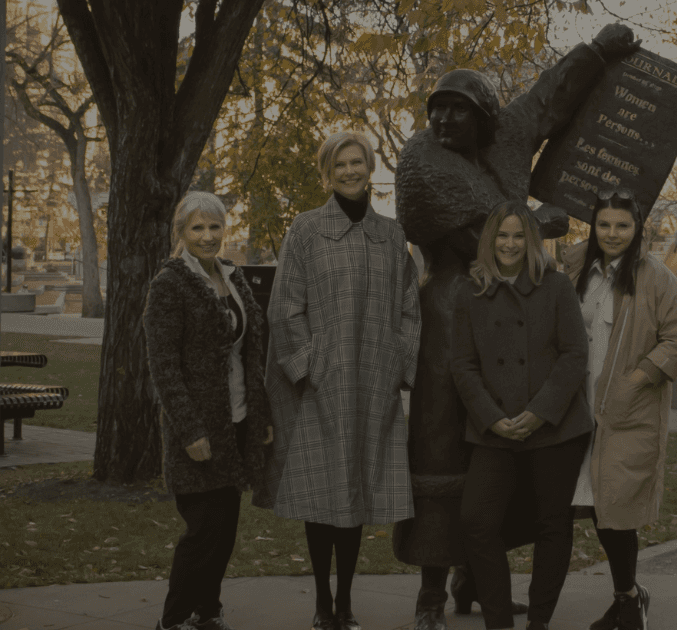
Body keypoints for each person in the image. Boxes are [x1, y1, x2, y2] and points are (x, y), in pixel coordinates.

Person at [393, 22, 641, 630]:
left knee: (503, 451)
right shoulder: (422, 161)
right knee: (440, 441)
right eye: (437, 111)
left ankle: (474, 575)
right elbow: (472, 228)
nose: (444, 121)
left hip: (517, 312)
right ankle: (431, 586)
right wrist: (535, 221)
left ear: (483, 117)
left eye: (458, 111)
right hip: (449, 310)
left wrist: (599, 50)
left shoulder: (506, 139)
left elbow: (552, 96)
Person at [262, 131, 421, 630]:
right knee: (321, 494)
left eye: (358, 162)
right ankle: (322, 603)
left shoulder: (393, 235)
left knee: (355, 492)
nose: (350, 171)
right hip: (321, 389)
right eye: (340, 163)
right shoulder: (306, 231)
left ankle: (347, 601)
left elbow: (409, 311)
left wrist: (396, 366)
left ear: (370, 167)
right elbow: (285, 307)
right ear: (327, 172)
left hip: (374, 386)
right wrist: (310, 367)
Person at [560, 189, 677, 630]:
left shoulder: (654, 275)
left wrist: (639, 378)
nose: (613, 233)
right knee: (593, 506)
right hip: (579, 406)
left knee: (615, 508)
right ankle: (628, 596)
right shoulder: (581, 268)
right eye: (604, 225)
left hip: (627, 410)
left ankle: (628, 601)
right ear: (594, 227)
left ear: (637, 228)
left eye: (622, 225)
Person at [450, 201, 592, 630]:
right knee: (476, 521)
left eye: (518, 236)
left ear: (531, 241)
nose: (509, 244)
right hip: (494, 429)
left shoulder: (556, 285)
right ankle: (498, 621)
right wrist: (491, 417)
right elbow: (463, 364)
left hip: (554, 428)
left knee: (552, 526)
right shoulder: (468, 290)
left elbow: (573, 354)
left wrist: (539, 412)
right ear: (489, 240)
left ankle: (539, 622)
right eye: (501, 235)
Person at [144, 191, 275, 630]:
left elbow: (249, 354)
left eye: (214, 227)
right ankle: (173, 618)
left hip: (236, 422)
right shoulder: (170, 285)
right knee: (201, 530)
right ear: (180, 233)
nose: (207, 236)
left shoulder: (231, 276)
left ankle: (208, 609)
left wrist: (260, 419)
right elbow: (164, 367)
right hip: (198, 429)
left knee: (224, 529)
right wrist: (189, 430)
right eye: (197, 228)